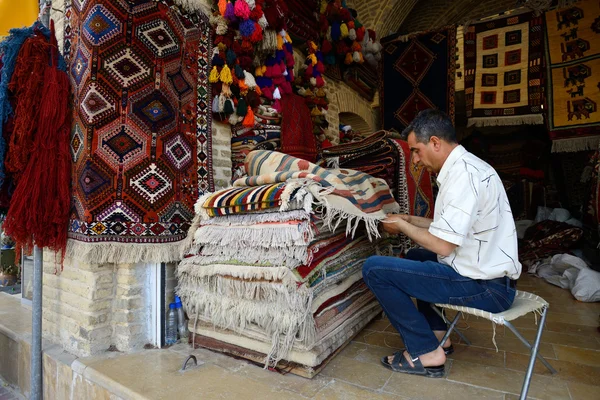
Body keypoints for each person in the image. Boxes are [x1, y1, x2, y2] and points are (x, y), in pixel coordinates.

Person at [363, 109, 521, 377]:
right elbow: (449, 230)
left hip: (486, 288)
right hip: (488, 277)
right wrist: (410, 218)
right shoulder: (467, 168)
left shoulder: (463, 177)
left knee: (374, 269)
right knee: (415, 256)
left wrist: (400, 225)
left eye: (416, 150)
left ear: (435, 142)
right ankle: (439, 336)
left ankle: (425, 352)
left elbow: (444, 246)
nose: (414, 159)